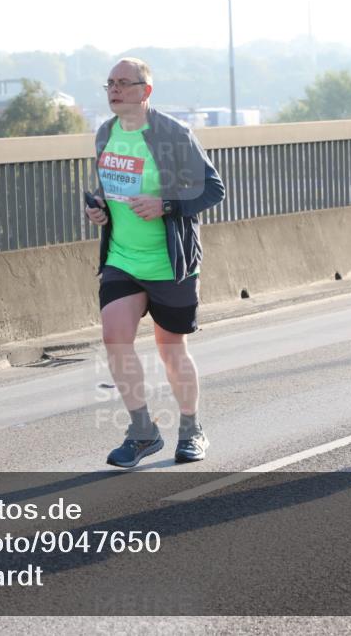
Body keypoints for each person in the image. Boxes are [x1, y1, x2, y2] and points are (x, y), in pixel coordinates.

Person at [85, 58, 225, 466]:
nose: (114, 89)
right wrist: (97, 209)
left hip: (170, 262)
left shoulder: (173, 134)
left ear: (145, 91)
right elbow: (109, 187)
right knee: (115, 339)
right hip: (121, 259)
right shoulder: (105, 133)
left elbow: (213, 189)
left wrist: (165, 205)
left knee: (170, 348)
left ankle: (191, 428)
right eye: (109, 83)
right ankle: (142, 432)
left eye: (124, 83)